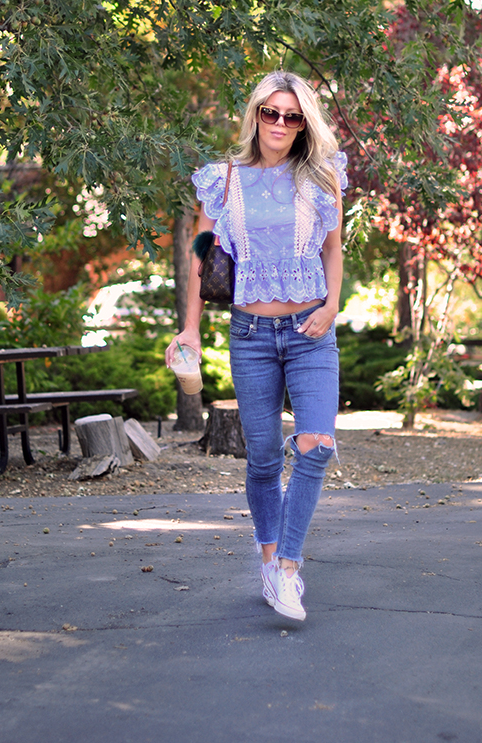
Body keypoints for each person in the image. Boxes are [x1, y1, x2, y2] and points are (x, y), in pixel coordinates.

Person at [165, 70, 347, 621]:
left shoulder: (323, 176)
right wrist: (191, 328)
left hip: (311, 332)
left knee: (316, 444)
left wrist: (332, 306)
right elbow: (203, 255)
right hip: (249, 334)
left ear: (303, 124)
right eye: (272, 112)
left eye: (293, 117)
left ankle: (287, 567)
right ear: (256, 114)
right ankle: (268, 560)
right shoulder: (222, 180)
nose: (281, 124)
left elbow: (334, 251)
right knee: (264, 458)